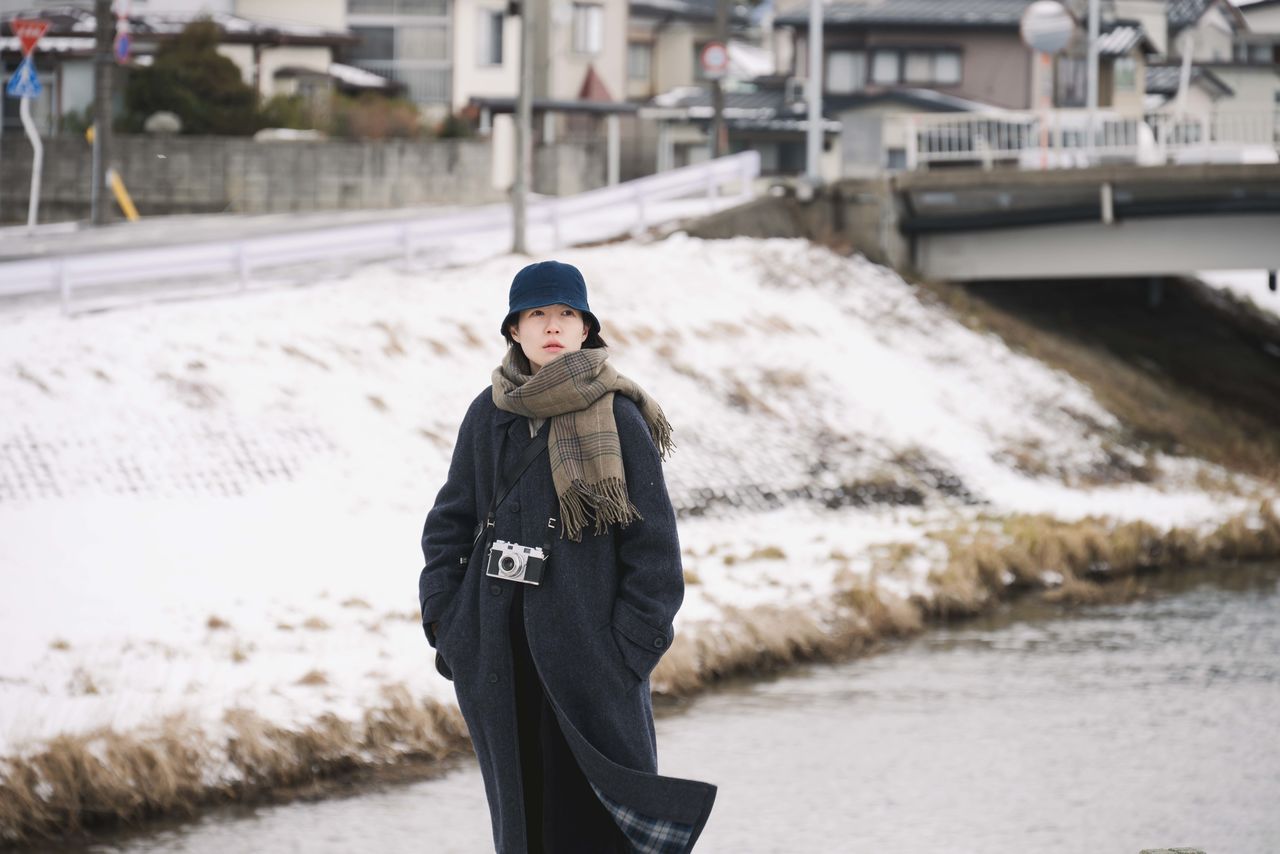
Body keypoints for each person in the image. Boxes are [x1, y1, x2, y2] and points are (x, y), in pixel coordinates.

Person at [418, 260, 717, 854]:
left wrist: (623, 658)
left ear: (585, 330)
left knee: (601, 828)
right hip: (500, 659)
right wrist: (448, 627)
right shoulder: (488, 413)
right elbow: (448, 525)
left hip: (590, 663)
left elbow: (655, 558)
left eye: (565, 314)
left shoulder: (620, 417)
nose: (552, 325)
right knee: (525, 824)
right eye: (537, 314)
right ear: (514, 331)